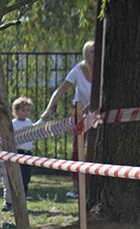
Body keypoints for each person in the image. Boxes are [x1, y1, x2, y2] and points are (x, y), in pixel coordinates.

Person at [39, 41, 94, 199]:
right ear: (86, 53)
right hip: (79, 113)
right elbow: (62, 89)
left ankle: (93, 185)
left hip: (97, 113)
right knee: (78, 148)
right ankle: (76, 187)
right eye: (92, 52)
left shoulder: (103, 69)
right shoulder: (78, 70)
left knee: (96, 147)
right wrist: (49, 109)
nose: (94, 55)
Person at [12, 96, 36, 202]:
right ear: (16, 111)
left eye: (27, 110)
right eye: (23, 110)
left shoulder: (29, 122)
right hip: (18, 152)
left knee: (27, 174)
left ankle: (25, 192)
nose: (25, 113)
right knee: (19, 174)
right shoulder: (13, 124)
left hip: (28, 152)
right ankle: (18, 194)